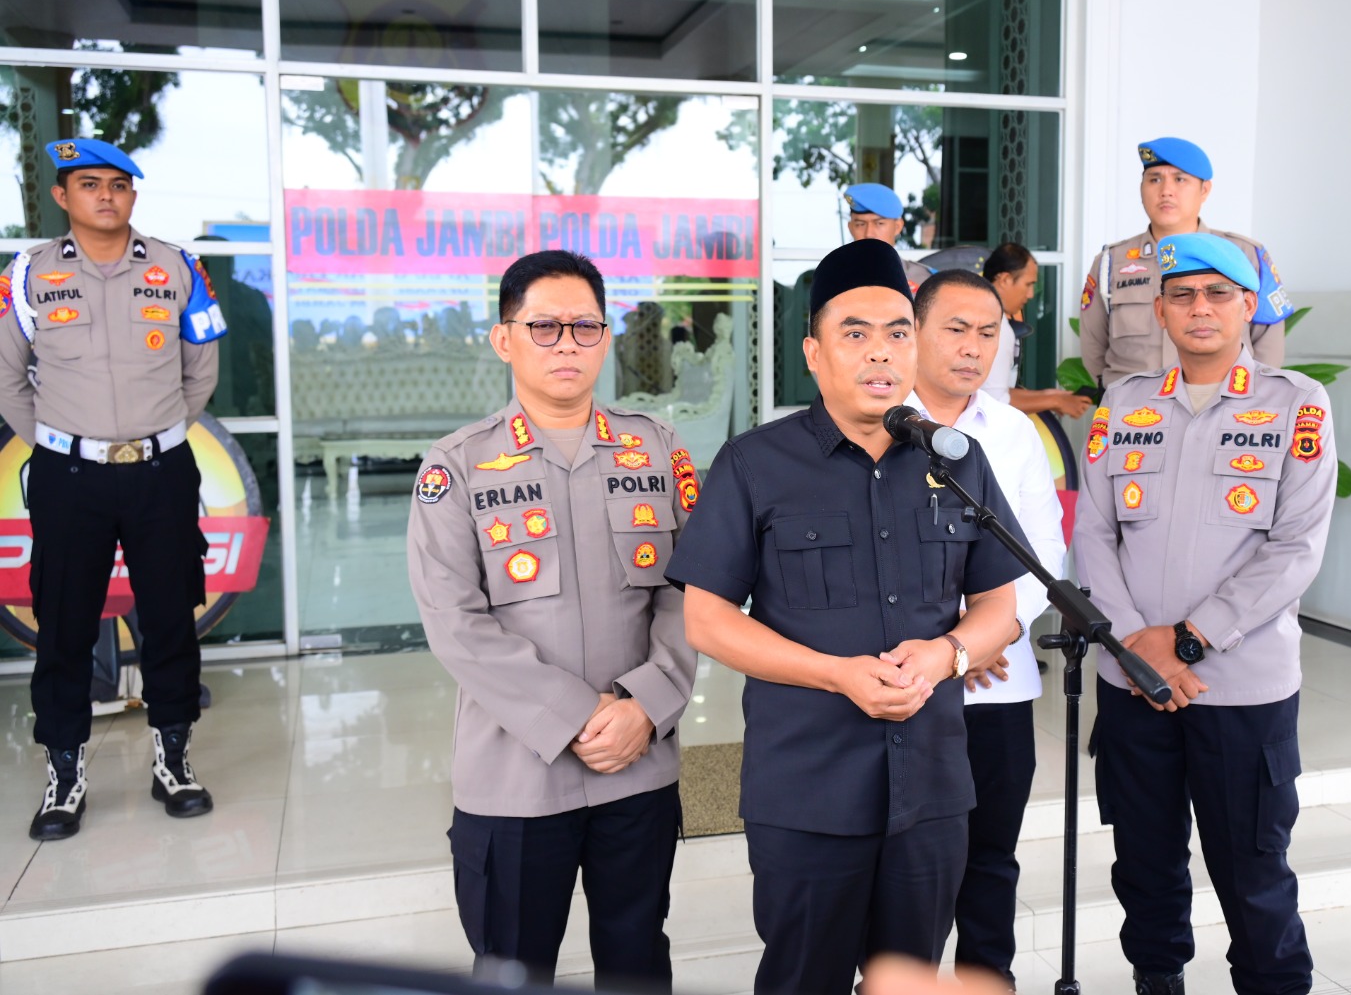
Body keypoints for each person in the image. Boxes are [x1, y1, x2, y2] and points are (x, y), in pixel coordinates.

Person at [665, 238, 1024, 995]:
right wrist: (835, 675)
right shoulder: (754, 464)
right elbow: (707, 619)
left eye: (898, 332)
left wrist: (947, 655)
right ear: (814, 353)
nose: (880, 351)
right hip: (807, 789)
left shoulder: (957, 460)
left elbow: (999, 605)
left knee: (909, 981)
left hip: (931, 786)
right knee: (804, 978)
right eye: (854, 333)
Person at [407, 250, 696, 991]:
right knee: (514, 970)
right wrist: (578, 715)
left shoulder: (657, 448)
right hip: (515, 778)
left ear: (605, 337)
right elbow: (453, 619)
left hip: (637, 764)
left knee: (637, 963)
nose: (567, 343)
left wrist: (645, 705)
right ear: (504, 339)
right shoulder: (458, 465)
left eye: (585, 326)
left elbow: (688, 592)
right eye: (544, 326)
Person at [1073, 232, 1336, 995]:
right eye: (1182, 294)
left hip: (1240, 688)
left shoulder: (1295, 404)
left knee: (1252, 868)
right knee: (1144, 859)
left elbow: (1296, 547)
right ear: (1160, 309)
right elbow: (1093, 534)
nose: (1200, 307)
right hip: (1134, 685)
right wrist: (1136, 648)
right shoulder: (1123, 404)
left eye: (1219, 292)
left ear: (1248, 306)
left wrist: (1186, 640)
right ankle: (1158, 978)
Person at [0, 138, 228, 842]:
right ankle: (64, 774)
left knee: (170, 618)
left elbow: (202, 367)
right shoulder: (28, 273)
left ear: (133, 194)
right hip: (70, 477)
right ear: (62, 196)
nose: (106, 195)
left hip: (161, 472)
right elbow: (6, 375)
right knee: (64, 625)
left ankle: (173, 760)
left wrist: (156, 434)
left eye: (119, 184)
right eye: (89, 184)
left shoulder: (177, 267)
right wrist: (62, 442)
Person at [905, 269, 1066, 990]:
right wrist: (953, 648)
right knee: (906, 865)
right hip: (907, 684)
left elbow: (1044, 549)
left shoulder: (1014, 431)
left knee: (991, 858)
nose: (973, 347)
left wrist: (989, 636)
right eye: (956, 329)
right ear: (914, 330)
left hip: (998, 686)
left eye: (988, 332)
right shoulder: (878, 420)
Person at [1078, 138, 1294, 387]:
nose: (1166, 191)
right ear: (1141, 188)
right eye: (1154, 179)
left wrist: (1247, 399)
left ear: (1204, 190)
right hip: (1132, 405)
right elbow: (1093, 347)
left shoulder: (1245, 254)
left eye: (1180, 179)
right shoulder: (1111, 261)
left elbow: (1269, 345)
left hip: (1223, 402)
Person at [979, 242, 1091, 418]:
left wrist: (1050, 396)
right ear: (1005, 279)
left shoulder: (982, 315)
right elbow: (995, 403)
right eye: (1028, 284)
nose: (1031, 294)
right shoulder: (997, 327)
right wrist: (1055, 401)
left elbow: (993, 391)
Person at [844, 182, 933, 287]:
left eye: (879, 223)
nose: (869, 234)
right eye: (860, 224)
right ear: (850, 228)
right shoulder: (834, 277)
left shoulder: (924, 279)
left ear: (897, 227)